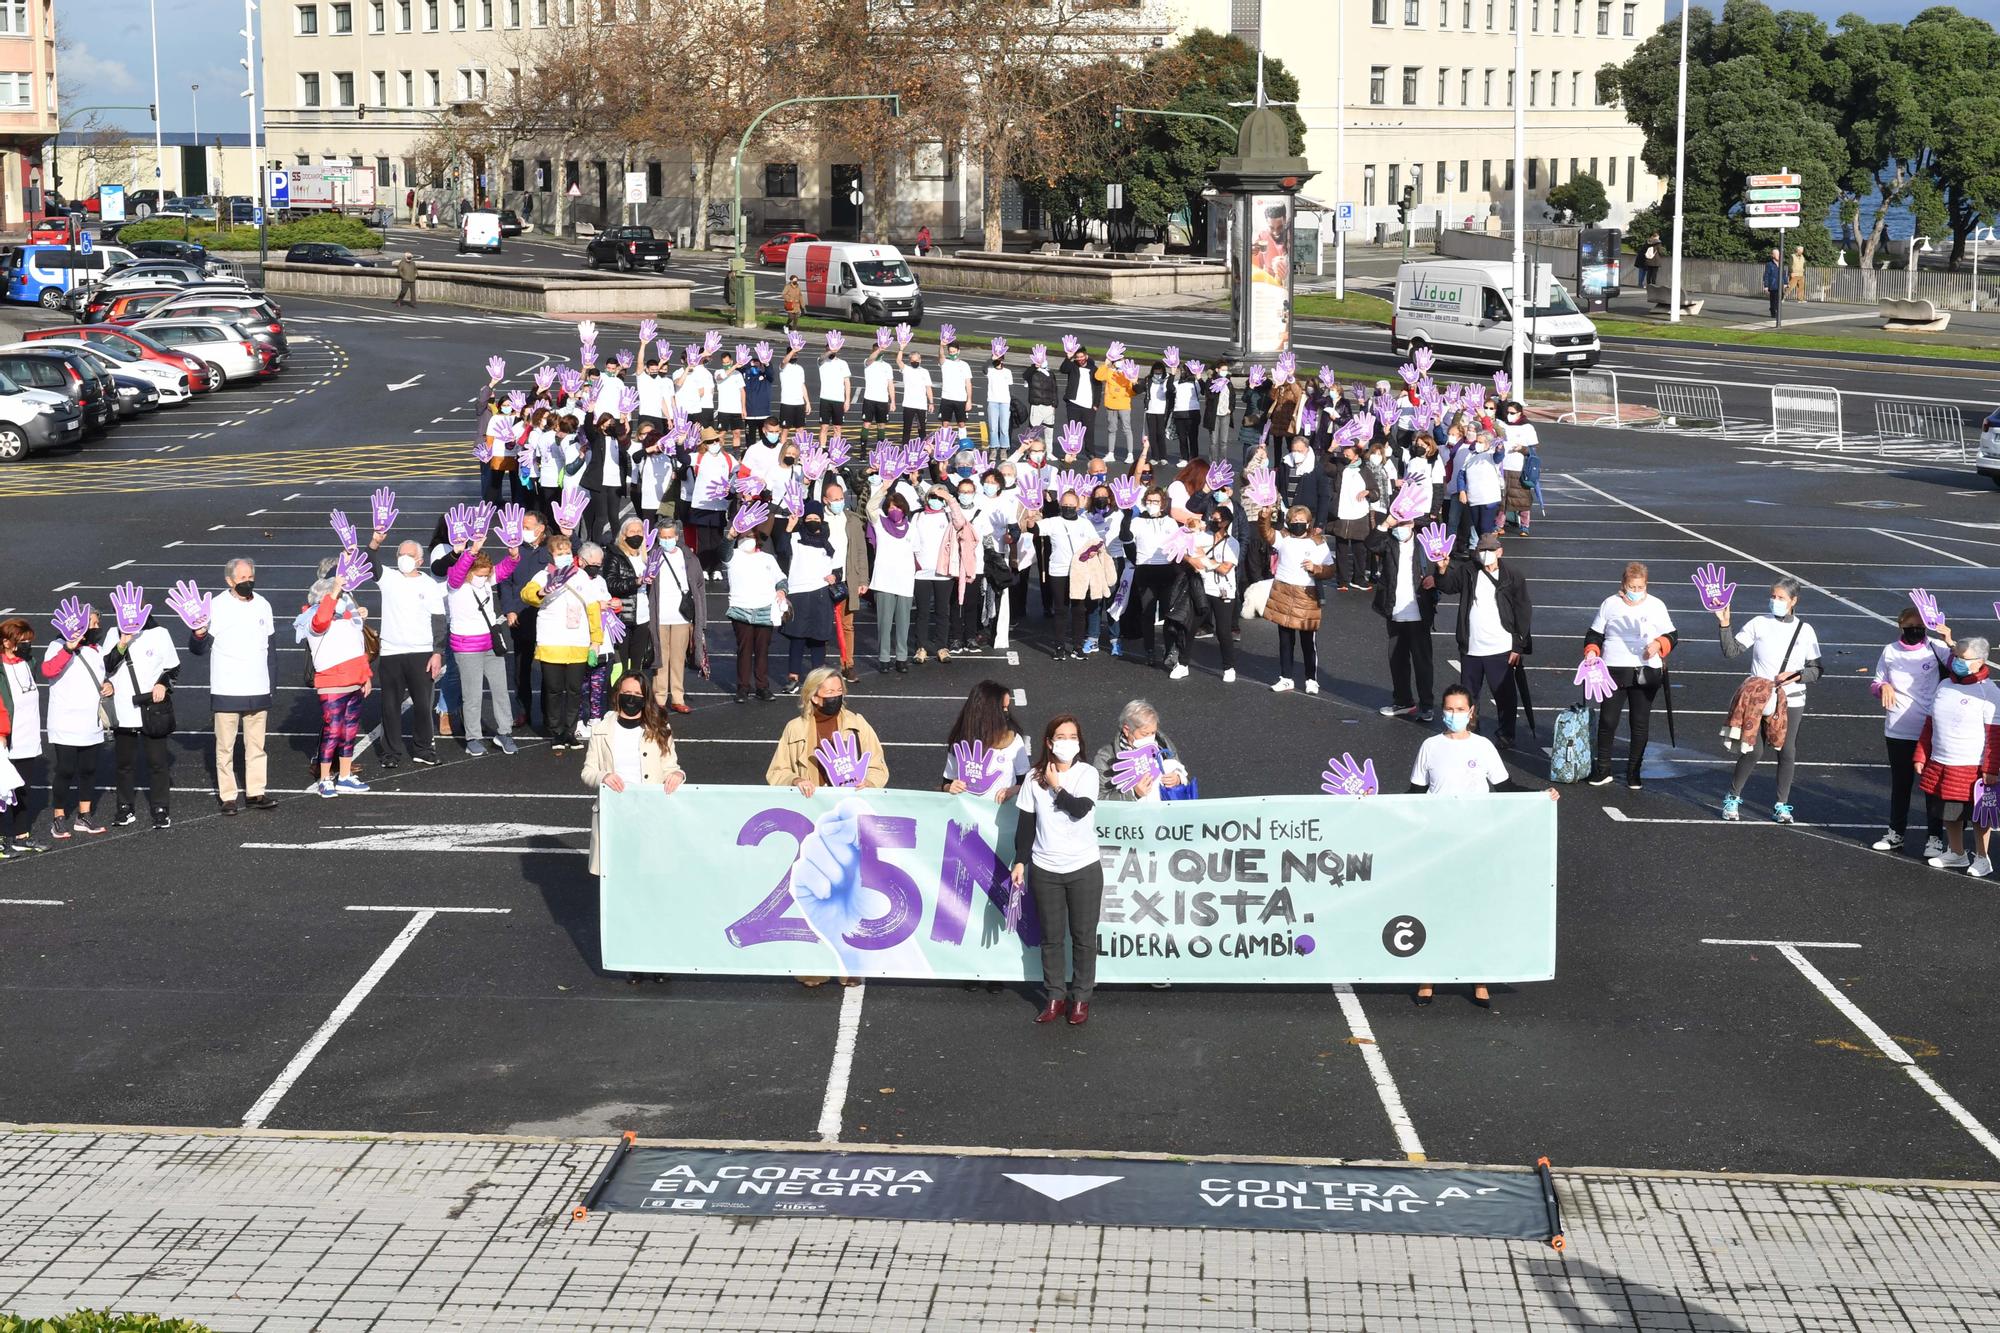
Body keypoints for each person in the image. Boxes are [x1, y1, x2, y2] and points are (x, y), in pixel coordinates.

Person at [1407, 684, 1559, 1009]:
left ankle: (1479, 978)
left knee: (1476, 910)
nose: (1453, 715)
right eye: (1448, 709)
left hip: (1476, 841)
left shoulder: (1483, 747)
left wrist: (1539, 796)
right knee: (1435, 910)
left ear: (1472, 712)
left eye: (1460, 709)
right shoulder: (1430, 747)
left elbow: (1504, 787)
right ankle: (1428, 977)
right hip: (1438, 842)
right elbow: (1413, 796)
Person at [1012, 714, 1104, 1026]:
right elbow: (1026, 824)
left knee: (1083, 936)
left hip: (1083, 867)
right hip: (1046, 868)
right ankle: (1054, 996)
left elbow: (1079, 810)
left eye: (1072, 736)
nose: (1067, 742)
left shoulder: (1088, 774)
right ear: (1049, 742)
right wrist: (1021, 861)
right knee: (1051, 938)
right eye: (1061, 736)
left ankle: (1080, 999)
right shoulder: (1033, 778)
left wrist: (1056, 788)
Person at [1718, 577, 1820, 823]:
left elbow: (1815, 670)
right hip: (1758, 698)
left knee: (1786, 750)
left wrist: (1795, 675)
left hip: (1791, 698)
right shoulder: (1758, 623)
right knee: (1753, 750)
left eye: (1781, 598)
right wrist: (1725, 625)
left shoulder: (1805, 630)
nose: (1775, 601)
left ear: (1793, 601)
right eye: (1773, 597)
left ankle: (1782, 805)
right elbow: (1731, 651)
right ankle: (1732, 798)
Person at [187, 558, 278, 814]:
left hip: (258, 686)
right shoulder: (215, 606)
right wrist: (198, 633)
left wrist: (272, 683)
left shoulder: (263, 604)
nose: (248, 582)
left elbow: (271, 648)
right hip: (227, 687)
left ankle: (255, 793)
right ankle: (228, 796)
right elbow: (198, 649)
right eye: (242, 578)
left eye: (251, 577)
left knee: (257, 745)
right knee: (225, 747)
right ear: (229, 581)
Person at [581, 671, 685, 878]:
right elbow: (588, 772)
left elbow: (671, 767)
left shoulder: (660, 729)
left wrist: (678, 775)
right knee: (616, 876)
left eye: (637, 693)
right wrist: (603, 776)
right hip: (614, 814)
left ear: (645, 698)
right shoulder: (601, 730)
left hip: (649, 813)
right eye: (626, 692)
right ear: (617, 694)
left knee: (648, 874)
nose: (631, 697)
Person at [1584, 562, 1677, 790]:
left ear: (1646, 585)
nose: (1635, 592)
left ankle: (1634, 772)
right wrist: (1592, 652)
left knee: (1639, 722)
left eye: (1640, 587)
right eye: (1631, 587)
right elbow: (1594, 634)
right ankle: (1603, 769)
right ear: (1623, 585)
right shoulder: (1610, 604)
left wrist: (1659, 644)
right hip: (1613, 670)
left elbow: (1673, 634)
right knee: (1608, 720)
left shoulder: (1656, 606)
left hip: (1645, 672)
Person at [1435, 532, 1532, 744]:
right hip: (1472, 646)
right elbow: (1447, 586)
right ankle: (1470, 731)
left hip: (1501, 647)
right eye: (1481, 550)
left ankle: (1506, 735)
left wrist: (1518, 646)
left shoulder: (1513, 575)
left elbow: (1523, 611)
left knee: (1504, 695)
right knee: (1469, 695)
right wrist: (1442, 569)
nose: (1485, 554)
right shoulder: (1469, 571)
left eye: (1489, 550)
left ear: (1500, 552)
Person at [1914, 635, 1999, 876]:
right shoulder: (1944, 685)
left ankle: (1983, 858)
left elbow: (1995, 734)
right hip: (1942, 761)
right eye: (1956, 657)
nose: (1958, 662)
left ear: (1981, 661)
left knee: (1980, 816)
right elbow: (1929, 724)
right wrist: (1921, 754)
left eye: (1964, 658)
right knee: (1949, 812)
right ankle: (1957, 853)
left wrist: (1991, 769)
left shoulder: (1989, 692)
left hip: (1972, 766)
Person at [1872, 605, 1950, 858]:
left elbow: (1962, 665)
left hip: (1930, 728)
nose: (1916, 631)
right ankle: (1896, 833)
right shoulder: (1890, 651)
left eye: (1920, 627)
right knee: (1901, 784)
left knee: (1931, 786)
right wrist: (1883, 686)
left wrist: (1949, 640)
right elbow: (1877, 681)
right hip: (1898, 728)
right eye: (1911, 627)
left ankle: (1935, 838)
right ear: (1900, 626)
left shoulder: (1936, 648)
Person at [519, 534, 605, 752]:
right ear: (551, 555)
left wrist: (596, 639)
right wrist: (542, 591)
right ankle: (556, 732)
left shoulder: (581, 577)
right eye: (559, 553)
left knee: (575, 689)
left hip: (578, 641)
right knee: (554, 690)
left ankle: (570, 731)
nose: (564, 556)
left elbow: (593, 608)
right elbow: (527, 594)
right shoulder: (543, 575)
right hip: (552, 641)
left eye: (567, 552)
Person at [39, 608, 117, 838]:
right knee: (65, 769)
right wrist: (68, 649)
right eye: (90, 623)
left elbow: (102, 676)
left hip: (90, 722)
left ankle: (84, 815)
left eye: (97, 623)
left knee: (89, 769)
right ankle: (58, 817)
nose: (95, 628)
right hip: (65, 722)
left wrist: (110, 685)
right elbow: (48, 670)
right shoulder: (57, 646)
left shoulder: (97, 649)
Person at [372, 539, 446, 770]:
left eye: (409, 554)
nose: (403, 558)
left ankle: (423, 749)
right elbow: (370, 561)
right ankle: (391, 752)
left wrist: (437, 653)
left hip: (421, 652)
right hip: (391, 652)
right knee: (390, 706)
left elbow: (439, 621)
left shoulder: (429, 585)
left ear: (420, 560)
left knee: (423, 705)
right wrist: (375, 541)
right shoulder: (389, 578)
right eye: (400, 553)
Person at [104, 608, 180, 830]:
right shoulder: (113, 633)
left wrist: (162, 684)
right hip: (123, 708)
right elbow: (107, 665)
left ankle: (160, 809)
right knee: (124, 764)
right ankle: (125, 808)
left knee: (157, 762)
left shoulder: (160, 633)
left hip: (151, 708)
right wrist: (123, 641)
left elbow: (173, 667)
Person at [445, 539, 519, 757]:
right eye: (480, 574)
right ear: (469, 571)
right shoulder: (455, 585)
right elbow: (457, 572)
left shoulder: (486, 581)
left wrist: (514, 556)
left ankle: (504, 733)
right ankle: (473, 737)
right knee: (472, 695)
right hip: (466, 647)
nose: (484, 578)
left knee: (501, 691)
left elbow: (504, 569)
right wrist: (472, 551)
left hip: (490, 644)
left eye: (486, 575)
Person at [303, 572, 374, 798]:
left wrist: (366, 676)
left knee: (349, 730)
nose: (342, 600)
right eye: (336, 597)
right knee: (333, 731)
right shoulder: (313, 620)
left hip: (354, 682)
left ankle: (344, 776)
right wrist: (334, 592)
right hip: (332, 684)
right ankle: (325, 779)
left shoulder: (345, 621)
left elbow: (359, 647)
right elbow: (321, 619)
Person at [1367, 510, 1440, 724]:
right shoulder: (1389, 542)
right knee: (1397, 660)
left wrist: (1435, 578)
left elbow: (1444, 568)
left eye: (1403, 522)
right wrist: (1386, 523)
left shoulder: (1424, 545)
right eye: (1397, 523)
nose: (1399, 527)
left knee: (1422, 662)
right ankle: (1403, 701)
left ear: (1412, 524)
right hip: (1394, 611)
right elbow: (1370, 544)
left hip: (1419, 613)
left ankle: (1427, 705)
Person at [1264, 504, 1335, 694]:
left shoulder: (1318, 542)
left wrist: (1316, 568)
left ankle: (1311, 679)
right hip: (1283, 591)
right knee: (1285, 639)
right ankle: (1286, 677)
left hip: (1307, 594)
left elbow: (1330, 569)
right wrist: (1266, 514)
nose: (1298, 524)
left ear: (1308, 522)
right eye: (1294, 521)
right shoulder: (1283, 537)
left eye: (1301, 521)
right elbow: (1265, 531)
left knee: (1307, 641)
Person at [647, 517, 707, 715]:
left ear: (677, 536)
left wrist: (700, 616)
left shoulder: (688, 556)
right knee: (660, 658)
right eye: (662, 537)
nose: (666, 540)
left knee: (678, 658)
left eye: (669, 537)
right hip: (659, 616)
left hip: (681, 616)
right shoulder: (651, 555)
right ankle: (659, 697)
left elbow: (698, 585)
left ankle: (678, 697)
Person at [0, 618, 48, 854]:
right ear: (6, 642)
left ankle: (21, 835)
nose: (28, 644)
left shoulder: (27, 663)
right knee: (1, 791)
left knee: (23, 790)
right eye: (22, 640)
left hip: (28, 737)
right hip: (5, 738)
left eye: (29, 640)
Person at [781, 501, 840, 690]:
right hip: (798, 593)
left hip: (821, 594)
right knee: (797, 638)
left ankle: (818, 679)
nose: (813, 521)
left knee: (818, 639)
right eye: (809, 518)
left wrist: (835, 576)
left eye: (816, 518)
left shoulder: (828, 543)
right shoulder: (795, 537)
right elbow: (782, 551)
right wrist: (789, 528)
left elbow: (838, 568)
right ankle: (793, 678)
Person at [726, 522, 787, 703]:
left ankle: (762, 687)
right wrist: (730, 535)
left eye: (751, 537)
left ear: (757, 539)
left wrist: (782, 590)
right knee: (744, 650)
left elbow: (781, 578)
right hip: (740, 608)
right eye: (743, 537)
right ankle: (743, 687)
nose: (747, 540)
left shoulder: (768, 559)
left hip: (765, 609)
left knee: (762, 650)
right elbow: (723, 550)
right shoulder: (733, 556)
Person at [1120, 486, 1180, 670]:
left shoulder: (1170, 522)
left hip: (1167, 571)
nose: (1152, 504)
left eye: (1156, 501)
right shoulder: (1138, 521)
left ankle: (1170, 650)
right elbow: (1125, 537)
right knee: (1147, 612)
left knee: (1168, 613)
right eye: (1149, 501)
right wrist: (1127, 515)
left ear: (1162, 504)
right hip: (1145, 570)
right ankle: (1149, 651)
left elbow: (1178, 544)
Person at [1091, 698, 1191, 802]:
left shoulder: (1162, 744)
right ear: (1126, 730)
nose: (1150, 738)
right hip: (1130, 816)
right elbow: (1099, 800)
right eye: (1144, 734)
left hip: (1164, 813)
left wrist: (1178, 779)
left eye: (1153, 733)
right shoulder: (1106, 757)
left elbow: (1184, 778)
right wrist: (1134, 793)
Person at [863, 485, 917, 673]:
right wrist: (883, 489)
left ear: (905, 509)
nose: (894, 511)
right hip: (884, 581)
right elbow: (870, 507)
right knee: (884, 623)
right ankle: (884, 658)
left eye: (898, 507)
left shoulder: (911, 528)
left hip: (905, 582)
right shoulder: (881, 524)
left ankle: (901, 658)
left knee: (903, 623)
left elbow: (917, 551)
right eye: (891, 508)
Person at [1184, 500, 1239, 682]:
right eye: (1211, 518)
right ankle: (1182, 663)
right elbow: (1185, 548)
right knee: (1191, 626)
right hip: (1203, 588)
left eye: (1216, 519)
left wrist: (1205, 560)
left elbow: (1225, 569)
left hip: (1224, 590)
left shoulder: (1233, 544)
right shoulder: (1204, 537)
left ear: (1225, 523)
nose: (1212, 522)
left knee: (1223, 631)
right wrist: (1192, 558)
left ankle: (1229, 667)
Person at [825, 480, 868, 682]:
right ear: (826, 500)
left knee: (847, 625)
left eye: (841, 499)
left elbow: (861, 551)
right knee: (822, 625)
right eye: (835, 499)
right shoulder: (818, 519)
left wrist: (862, 579)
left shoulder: (851, 519)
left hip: (846, 578)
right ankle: (820, 667)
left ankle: (847, 664)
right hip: (823, 578)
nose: (839, 502)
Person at [1095, 356, 1136, 464]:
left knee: (1127, 429)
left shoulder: (1128, 373)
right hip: (1111, 404)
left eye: (1121, 360)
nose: (1119, 362)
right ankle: (1110, 453)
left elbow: (1132, 391)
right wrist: (1106, 363)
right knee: (1111, 429)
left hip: (1123, 405)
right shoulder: (1109, 371)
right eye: (1118, 360)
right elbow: (1098, 376)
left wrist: (1133, 381)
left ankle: (1130, 454)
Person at [897, 346, 934, 443]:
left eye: (916, 360)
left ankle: (923, 447)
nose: (914, 362)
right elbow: (898, 361)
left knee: (922, 428)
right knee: (907, 428)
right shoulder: (906, 369)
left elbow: (928, 388)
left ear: (920, 360)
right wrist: (901, 349)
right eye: (912, 360)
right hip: (909, 404)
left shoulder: (925, 372)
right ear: (909, 361)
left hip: (921, 405)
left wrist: (931, 403)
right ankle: (905, 447)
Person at [985, 346, 1014, 459]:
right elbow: (983, 368)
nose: (998, 361)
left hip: (1004, 402)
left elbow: (1009, 384)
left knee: (1004, 427)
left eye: (1000, 358)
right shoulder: (990, 371)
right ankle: (993, 448)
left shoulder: (1007, 372)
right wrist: (991, 358)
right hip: (992, 401)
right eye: (997, 359)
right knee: (993, 427)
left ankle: (1004, 449)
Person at [1762, 247, 1784, 328]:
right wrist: (1766, 286)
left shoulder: (1781, 263)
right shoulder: (1769, 264)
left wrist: (1785, 282)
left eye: (1779, 254)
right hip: (1773, 284)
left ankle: (1775, 309)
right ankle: (1773, 310)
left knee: (1780, 297)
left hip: (1780, 284)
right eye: (1776, 254)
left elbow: (1783, 274)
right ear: (1773, 255)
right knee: (1773, 298)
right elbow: (1766, 275)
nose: (1778, 255)